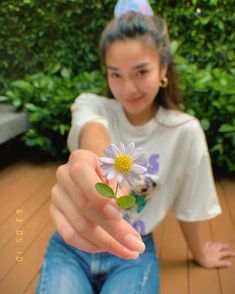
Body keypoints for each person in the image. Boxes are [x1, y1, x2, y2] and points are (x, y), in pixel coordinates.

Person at [36, 1, 235, 293]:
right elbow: (93, 133)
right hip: (72, 247)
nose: (128, 88)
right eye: (115, 74)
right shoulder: (91, 104)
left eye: (141, 72)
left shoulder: (185, 131)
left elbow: (188, 204)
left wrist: (200, 253)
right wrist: (92, 164)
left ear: (163, 68)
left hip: (133, 250)